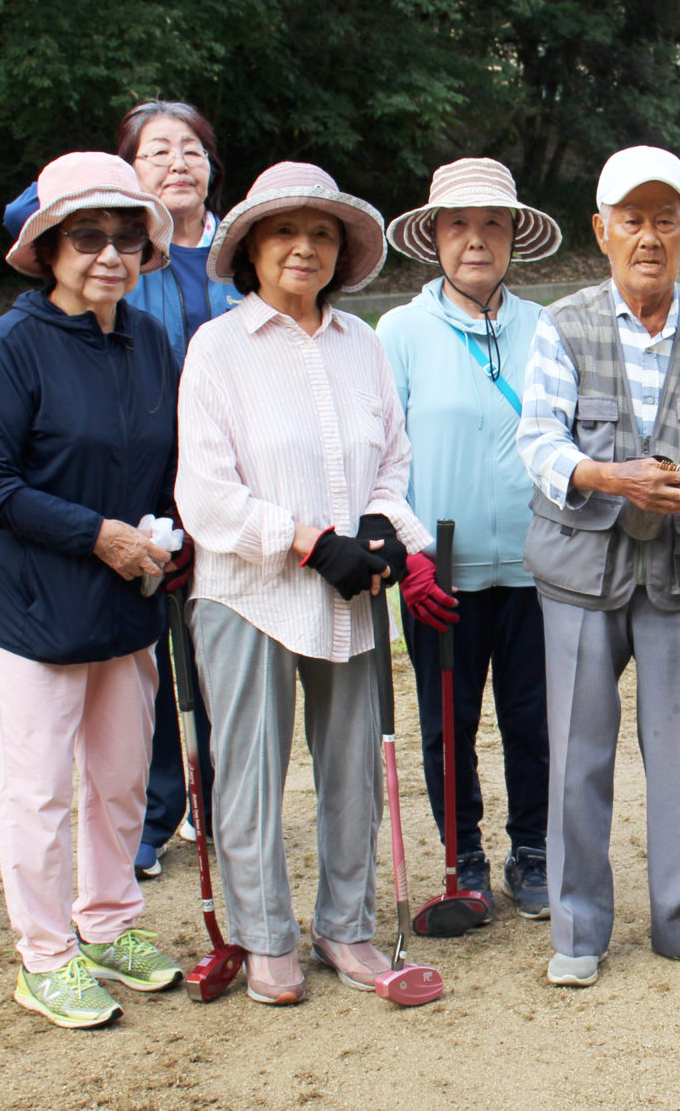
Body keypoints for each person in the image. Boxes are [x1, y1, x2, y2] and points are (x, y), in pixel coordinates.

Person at [515, 145, 680, 987]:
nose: (650, 237)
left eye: (666, 219)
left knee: (677, 750)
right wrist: (607, 477)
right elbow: (538, 440)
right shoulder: (562, 325)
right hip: (580, 571)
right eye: (632, 220)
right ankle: (578, 931)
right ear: (603, 231)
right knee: (576, 753)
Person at [176, 162, 425, 1007]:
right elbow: (206, 493)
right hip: (249, 591)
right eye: (285, 231)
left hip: (352, 590)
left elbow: (392, 458)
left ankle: (345, 926)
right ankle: (265, 936)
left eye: (321, 234)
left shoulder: (364, 345)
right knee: (250, 769)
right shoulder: (218, 349)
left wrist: (382, 524)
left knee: (355, 768)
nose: (304, 248)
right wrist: (308, 541)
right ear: (251, 247)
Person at [0, 152, 188, 1029]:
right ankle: (45, 954)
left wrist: (167, 533)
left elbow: (168, 461)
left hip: (127, 599)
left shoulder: (150, 340)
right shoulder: (13, 344)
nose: (110, 255)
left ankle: (109, 922)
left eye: (127, 238)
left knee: (122, 779)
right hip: (30, 604)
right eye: (88, 237)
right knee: (39, 789)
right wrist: (101, 535)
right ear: (49, 247)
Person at [377, 158, 562, 919]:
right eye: (458, 224)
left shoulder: (546, 327)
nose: (476, 240)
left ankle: (534, 851)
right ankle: (464, 858)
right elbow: (382, 457)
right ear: (434, 237)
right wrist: (408, 553)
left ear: (515, 236)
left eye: (492, 224)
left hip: (534, 564)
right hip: (438, 569)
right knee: (447, 723)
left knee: (533, 718)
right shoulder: (400, 332)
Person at [115, 98, 243, 881]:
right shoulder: (121, 253)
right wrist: (123, 206)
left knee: (226, 647)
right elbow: (25, 211)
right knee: (151, 658)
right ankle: (159, 809)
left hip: (235, 480)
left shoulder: (246, 245)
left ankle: (225, 802)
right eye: (155, 151)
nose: (177, 164)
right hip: (147, 481)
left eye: (191, 148)